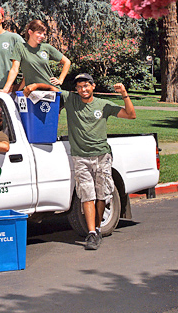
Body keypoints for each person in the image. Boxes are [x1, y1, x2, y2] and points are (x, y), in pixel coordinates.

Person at [60, 73, 136, 250]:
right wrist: (30, 86)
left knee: (102, 194)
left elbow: (131, 115)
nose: (83, 89)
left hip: (102, 156)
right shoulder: (71, 99)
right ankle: (92, 234)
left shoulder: (103, 105)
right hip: (80, 157)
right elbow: (51, 89)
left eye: (86, 86)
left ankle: (97, 228)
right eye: (79, 87)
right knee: (87, 195)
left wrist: (124, 93)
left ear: (93, 86)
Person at [0, 19, 71, 95]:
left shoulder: (46, 47)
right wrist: (5, 89)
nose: (42, 36)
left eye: (44, 34)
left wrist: (60, 80)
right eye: (39, 33)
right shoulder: (20, 47)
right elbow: (14, 69)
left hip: (51, 91)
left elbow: (67, 62)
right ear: (30, 32)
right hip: (32, 92)